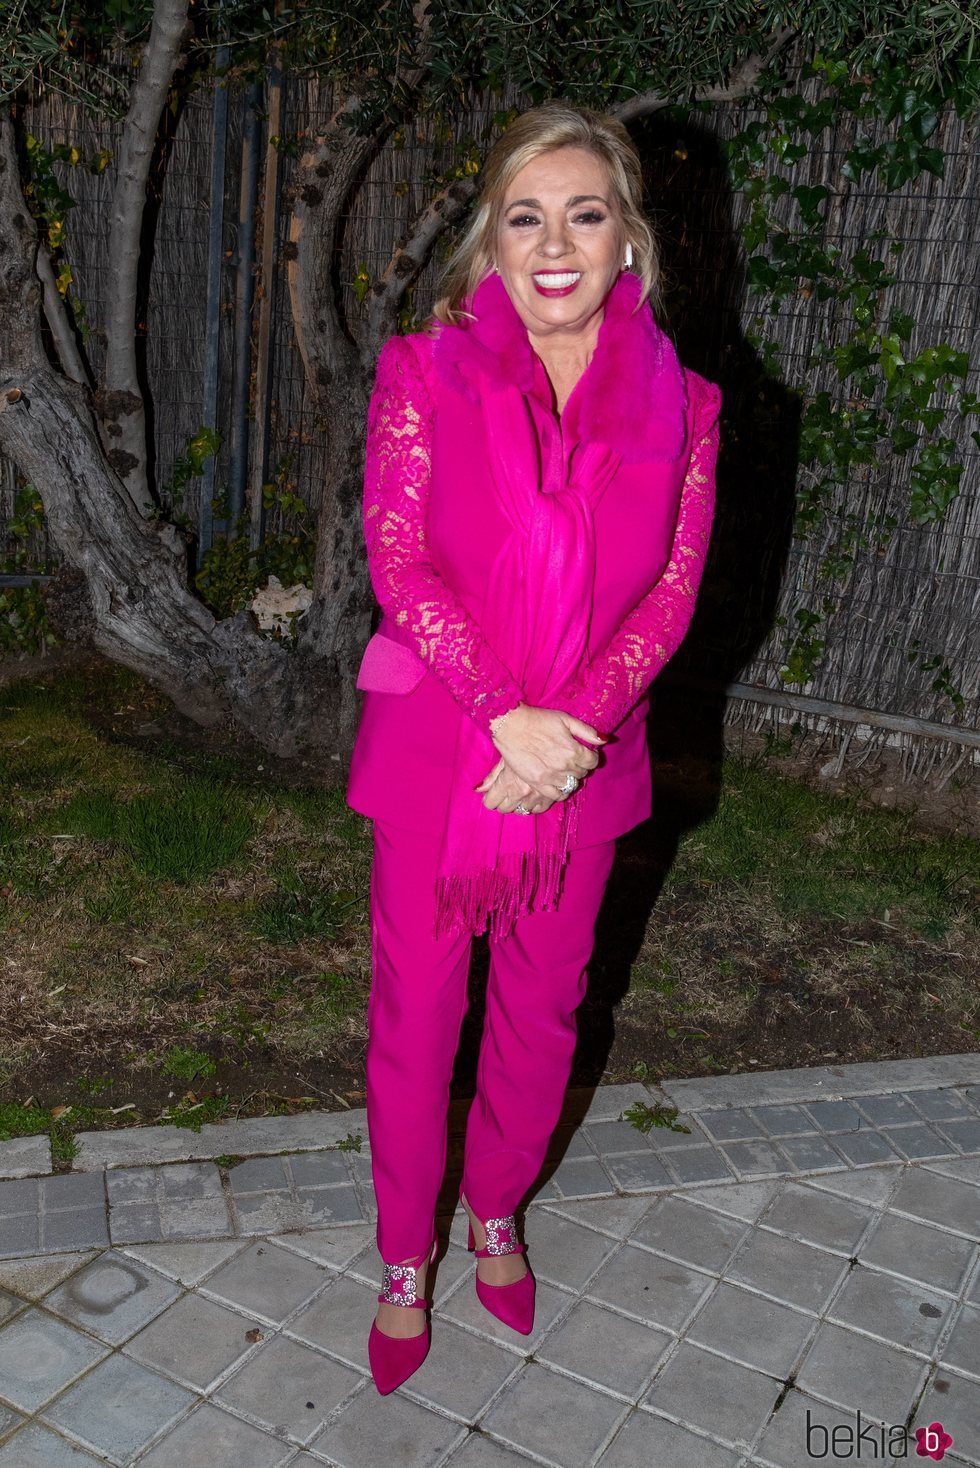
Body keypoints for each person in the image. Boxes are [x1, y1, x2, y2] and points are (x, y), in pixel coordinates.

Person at [345, 101, 722, 1395]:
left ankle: (496, 1213)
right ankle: (407, 1256)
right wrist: (504, 713)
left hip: (584, 770)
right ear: (491, 243)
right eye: (526, 215)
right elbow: (400, 555)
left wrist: (566, 740)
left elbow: (671, 596)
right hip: (440, 754)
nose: (555, 241)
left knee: (542, 1021)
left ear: (630, 242)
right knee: (417, 1023)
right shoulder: (422, 371)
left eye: (585, 212)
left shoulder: (693, 408)